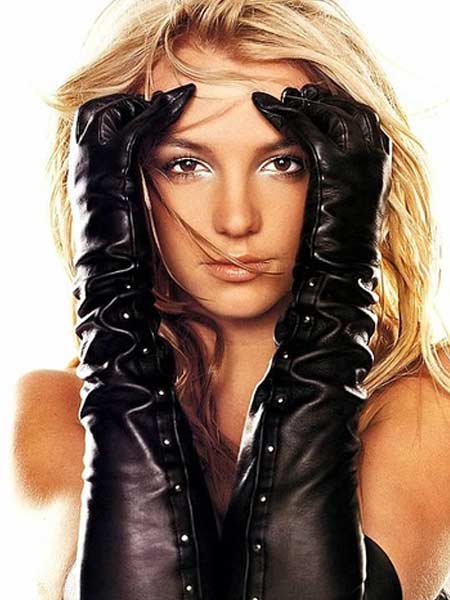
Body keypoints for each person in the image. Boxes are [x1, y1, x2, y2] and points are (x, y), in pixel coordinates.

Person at [10, 0, 450, 598]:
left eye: (284, 163)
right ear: (113, 178)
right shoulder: (54, 410)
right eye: (186, 164)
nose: (237, 219)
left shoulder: (429, 401)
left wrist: (337, 297)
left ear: (355, 176)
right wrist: (111, 304)